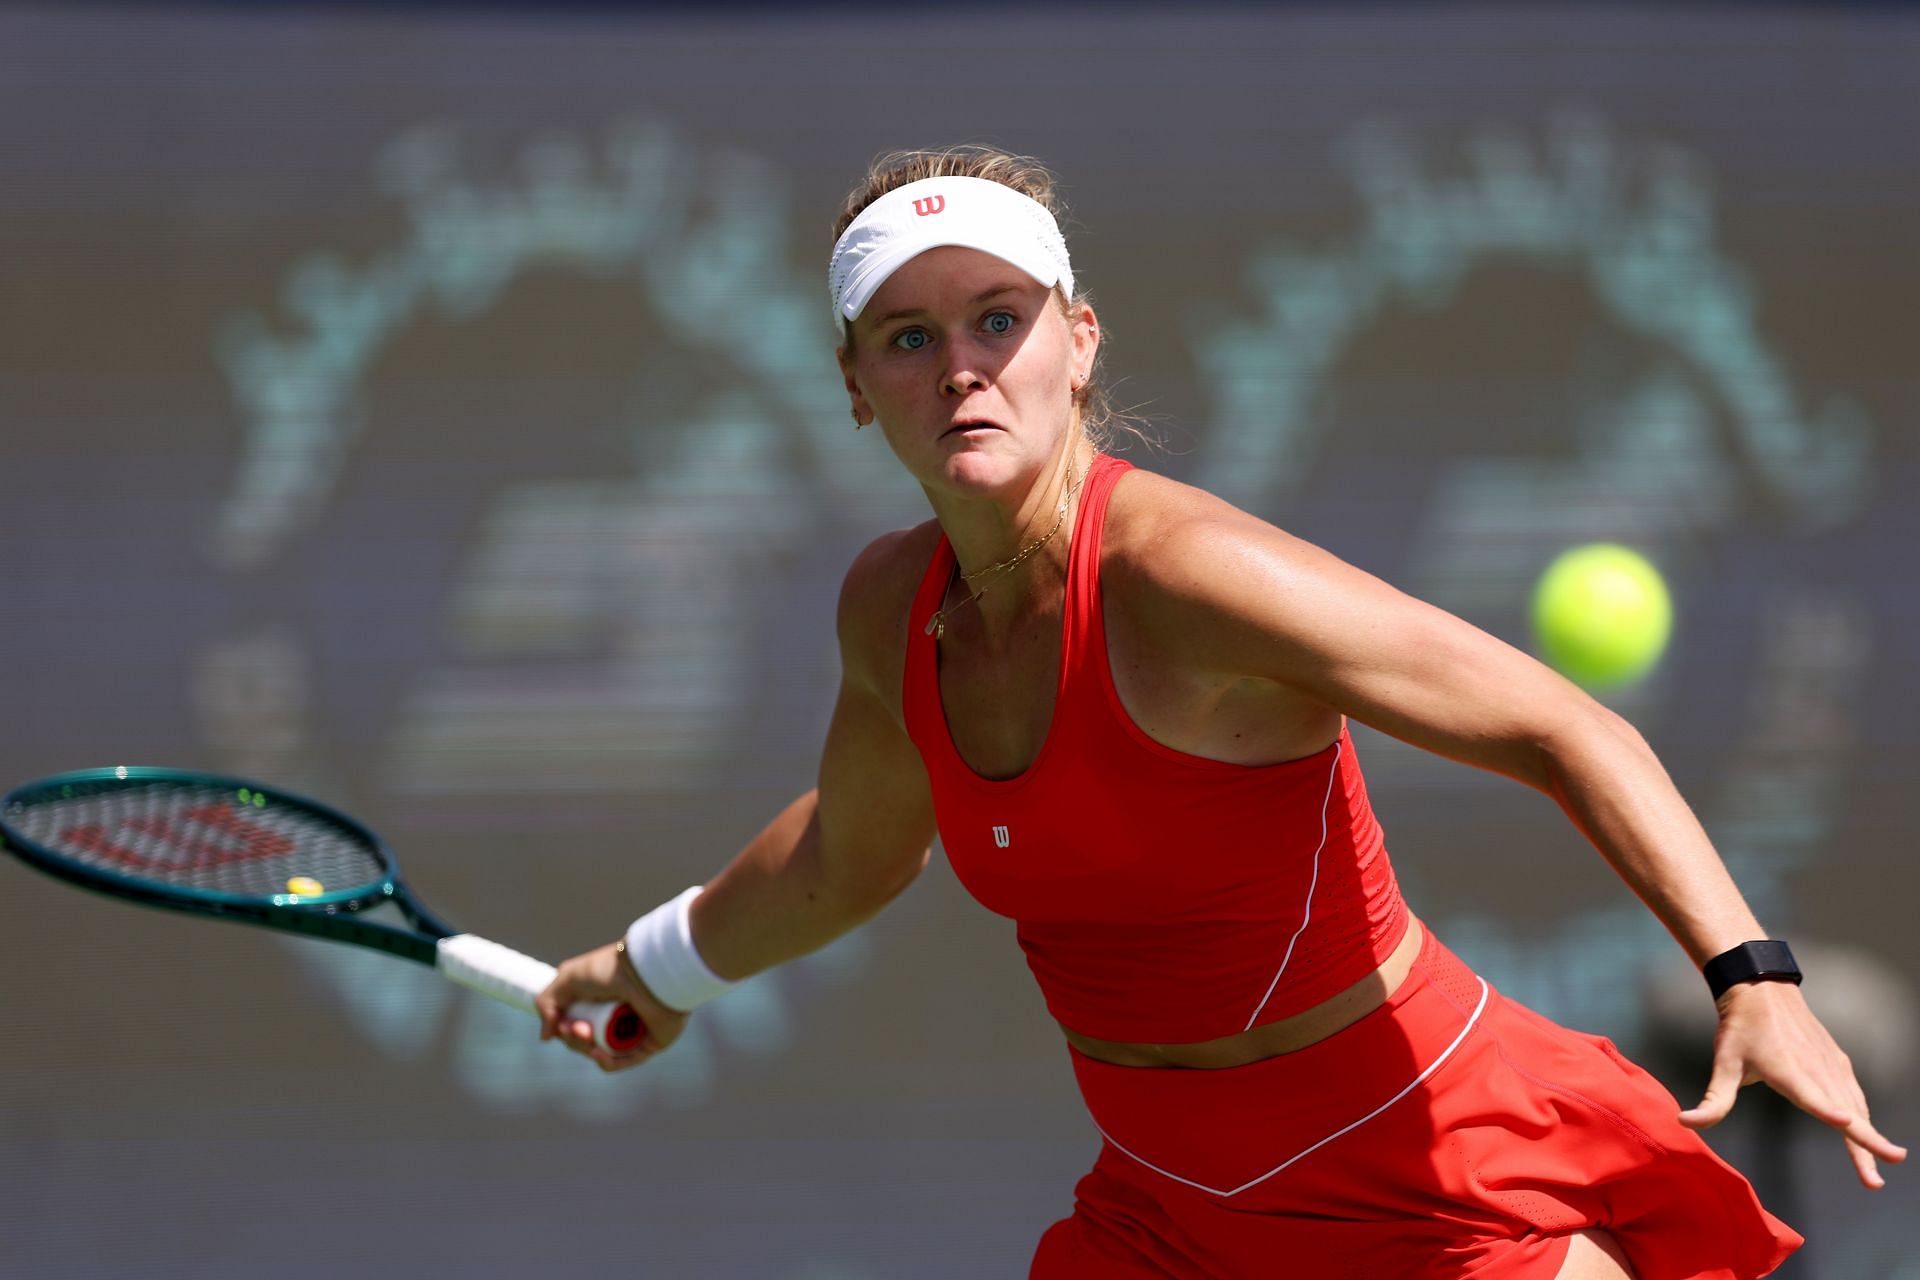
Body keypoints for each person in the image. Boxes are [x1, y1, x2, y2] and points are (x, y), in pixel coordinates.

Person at [536, 146, 1903, 1278]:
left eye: (998, 321)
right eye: (909, 336)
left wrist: (1754, 979)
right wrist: (653, 968)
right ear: (855, 388)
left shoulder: (1190, 578)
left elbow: (1566, 730)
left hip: (1420, 1168)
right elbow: (850, 853)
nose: (961, 366)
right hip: (1170, 1213)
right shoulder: (891, 611)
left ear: (1077, 345)